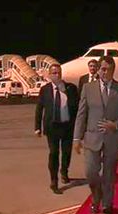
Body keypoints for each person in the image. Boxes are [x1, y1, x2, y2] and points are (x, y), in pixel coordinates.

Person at [73, 56, 118, 214]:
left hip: (112, 138)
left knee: (109, 174)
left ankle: (107, 204)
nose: (105, 72)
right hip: (92, 138)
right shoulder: (88, 88)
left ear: (113, 70)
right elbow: (81, 114)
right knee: (91, 173)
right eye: (103, 69)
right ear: (98, 70)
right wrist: (76, 138)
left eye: (109, 69)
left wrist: (116, 124)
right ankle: (96, 196)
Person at [35, 64, 79, 194]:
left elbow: (76, 108)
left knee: (66, 152)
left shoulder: (70, 88)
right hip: (52, 127)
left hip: (67, 126)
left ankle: (64, 172)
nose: (57, 75)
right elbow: (39, 108)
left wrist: (78, 127)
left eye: (59, 73)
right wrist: (37, 127)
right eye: (54, 73)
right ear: (49, 75)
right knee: (53, 153)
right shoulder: (45, 90)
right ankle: (53, 181)